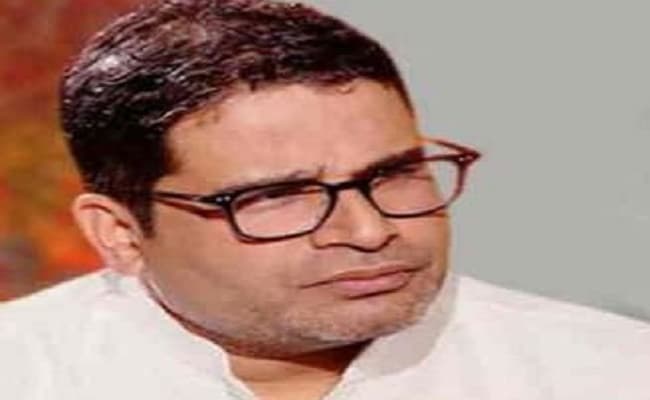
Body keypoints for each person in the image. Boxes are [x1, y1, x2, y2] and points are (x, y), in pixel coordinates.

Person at [1, 0, 648, 398]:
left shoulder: (612, 373)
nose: (369, 231)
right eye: (279, 196)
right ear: (119, 234)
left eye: (394, 174)